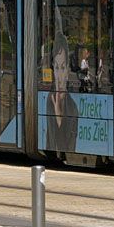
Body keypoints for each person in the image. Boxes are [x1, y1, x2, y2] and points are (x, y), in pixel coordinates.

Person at [45, 11, 78, 153]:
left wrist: (59, 118)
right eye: (56, 67)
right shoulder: (49, 100)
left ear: (68, 71)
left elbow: (68, 150)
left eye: (63, 67)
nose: (59, 74)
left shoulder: (73, 108)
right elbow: (49, 147)